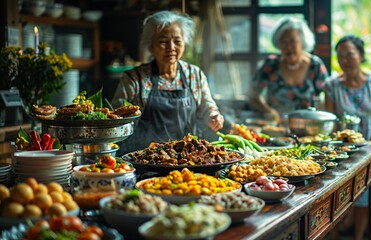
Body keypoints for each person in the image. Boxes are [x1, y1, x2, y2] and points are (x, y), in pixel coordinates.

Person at [111, 10, 224, 154]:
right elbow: (114, 119)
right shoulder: (135, 78)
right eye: (163, 41)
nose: (171, 48)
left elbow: (207, 106)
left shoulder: (194, 75)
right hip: (145, 158)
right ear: (151, 45)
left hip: (188, 157)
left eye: (177, 41)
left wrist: (213, 116)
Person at [323, 35, 371, 240]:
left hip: (370, 149)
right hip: (343, 153)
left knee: (366, 197)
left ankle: (359, 237)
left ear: (360, 56)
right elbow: (332, 122)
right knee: (338, 197)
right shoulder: (332, 85)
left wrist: (370, 145)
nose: (345, 59)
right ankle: (336, 235)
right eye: (340, 55)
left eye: (349, 54)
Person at [248, 16, 328, 123]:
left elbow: (327, 97)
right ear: (278, 44)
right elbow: (252, 93)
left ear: (303, 41)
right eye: (283, 42)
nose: (288, 47)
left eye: (292, 41)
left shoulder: (315, 65)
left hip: (307, 128)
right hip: (276, 127)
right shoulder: (271, 65)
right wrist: (268, 111)